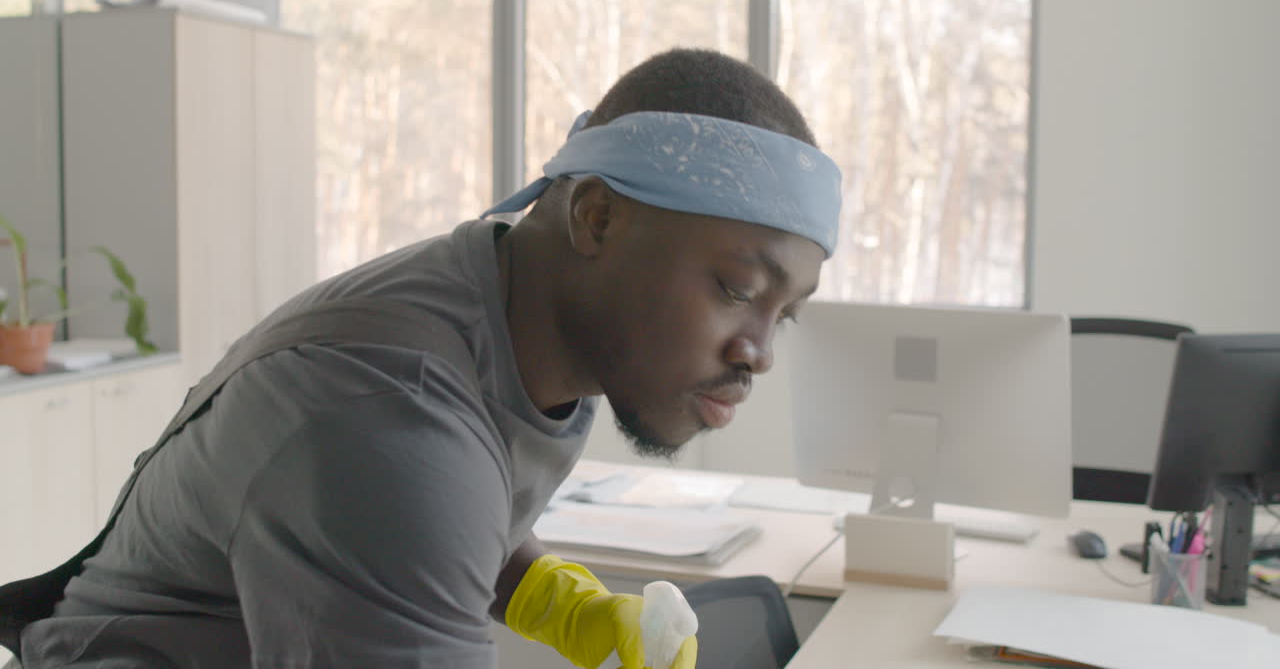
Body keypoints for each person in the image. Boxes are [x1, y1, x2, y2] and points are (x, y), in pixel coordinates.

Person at [13, 47, 842, 669]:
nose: (759, 353)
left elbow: (447, 518)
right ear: (596, 217)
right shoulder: (387, 412)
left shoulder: (526, 319)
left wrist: (552, 599)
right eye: (737, 288)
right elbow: (408, 485)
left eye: (786, 314)